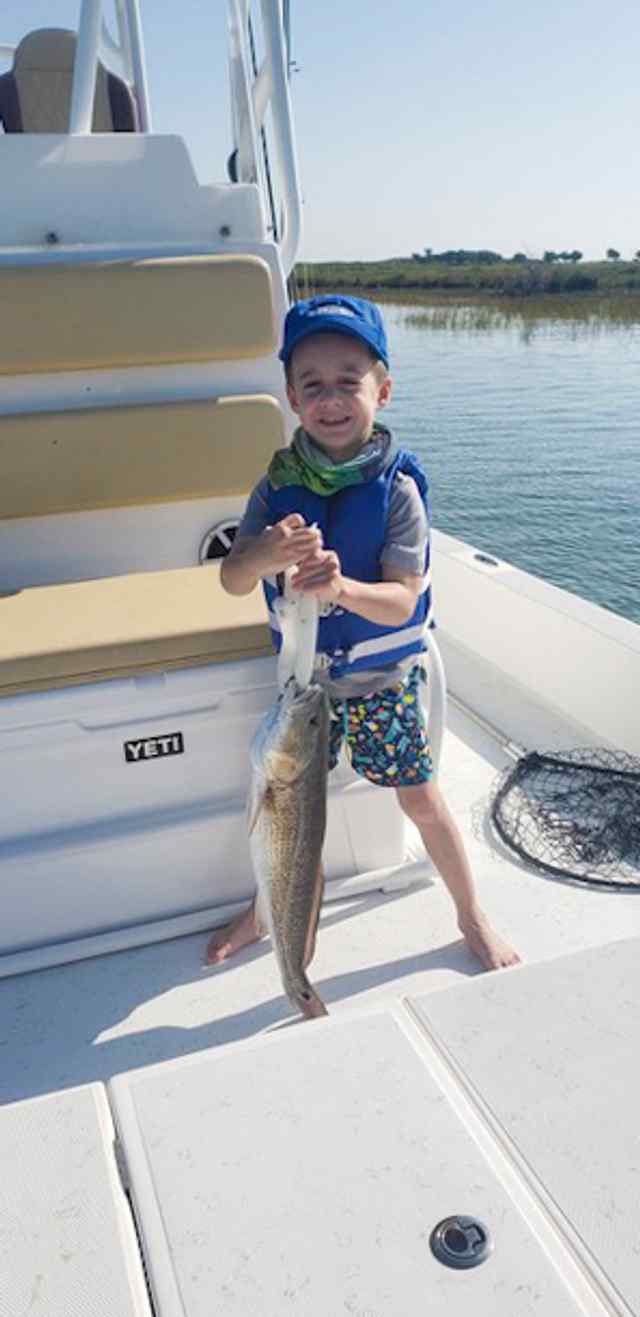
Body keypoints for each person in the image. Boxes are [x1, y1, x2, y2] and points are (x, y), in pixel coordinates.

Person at [206, 295, 520, 972]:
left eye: (349, 380)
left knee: (421, 797)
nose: (332, 399)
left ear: (383, 388)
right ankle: (264, 912)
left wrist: (341, 587)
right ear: (291, 397)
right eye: (312, 384)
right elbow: (234, 579)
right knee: (288, 817)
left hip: (382, 681)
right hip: (303, 691)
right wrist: (263, 555)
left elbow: (403, 598)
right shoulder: (275, 488)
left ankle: (470, 911)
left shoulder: (398, 491)